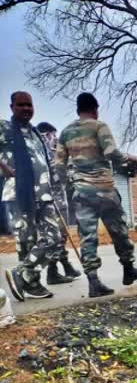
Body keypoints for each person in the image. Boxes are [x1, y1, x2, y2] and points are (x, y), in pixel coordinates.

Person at [54, 92, 137, 297]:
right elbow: (112, 152)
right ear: (95, 108)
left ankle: (93, 281)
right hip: (104, 189)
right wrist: (131, 160)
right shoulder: (99, 126)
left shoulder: (66, 132)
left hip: (82, 192)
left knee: (87, 236)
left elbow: (59, 164)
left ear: (78, 110)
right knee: (118, 230)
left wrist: (71, 183)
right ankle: (128, 269)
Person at [0, 91, 64, 300]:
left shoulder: (37, 134)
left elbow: (48, 163)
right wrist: (4, 167)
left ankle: (21, 273)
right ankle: (32, 285)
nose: (26, 108)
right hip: (18, 193)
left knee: (54, 238)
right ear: (12, 107)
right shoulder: (6, 128)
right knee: (26, 242)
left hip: (44, 196)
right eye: (21, 105)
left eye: (29, 105)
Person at [37, 121, 81, 285]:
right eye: (52, 134)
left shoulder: (53, 150)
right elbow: (56, 173)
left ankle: (65, 265)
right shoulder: (44, 150)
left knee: (62, 235)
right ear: (46, 134)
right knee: (56, 235)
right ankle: (52, 271)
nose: (55, 138)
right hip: (51, 199)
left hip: (60, 198)